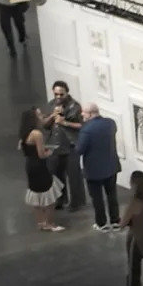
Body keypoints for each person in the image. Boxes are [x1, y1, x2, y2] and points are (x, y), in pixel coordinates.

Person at [77, 103, 122, 231]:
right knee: (112, 195)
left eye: (84, 112)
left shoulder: (86, 130)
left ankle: (101, 223)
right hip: (111, 165)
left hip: (94, 169)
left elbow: (79, 149)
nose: (82, 115)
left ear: (90, 114)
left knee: (97, 198)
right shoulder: (110, 123)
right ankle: (115, 220)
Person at [18, 108, 64, 232]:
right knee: (50, 195)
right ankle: (49, 223)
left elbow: (21, 147)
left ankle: (41, 222)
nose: (42, 116)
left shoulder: (24, 132)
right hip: (39, 166)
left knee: (36, 194)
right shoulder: (37, 134)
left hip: (30, 165)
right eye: (39, 115)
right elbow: (41, 154)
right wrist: (50, 151)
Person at [43, 81, 85, 212]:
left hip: (70, 145)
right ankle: (60, 199)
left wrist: (65, 122)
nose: (58, 97)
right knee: (56, 174)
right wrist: (53, 115)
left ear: (67, 93)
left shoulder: (75, 106)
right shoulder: (51, 105)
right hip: (55, 144)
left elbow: (81, 125)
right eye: (56, 94)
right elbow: (45, 125)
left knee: (74, 175)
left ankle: (76, 202)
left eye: (61, 94)